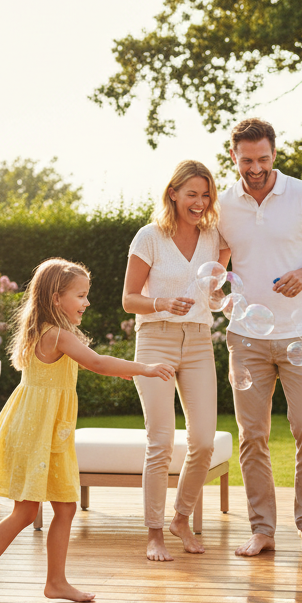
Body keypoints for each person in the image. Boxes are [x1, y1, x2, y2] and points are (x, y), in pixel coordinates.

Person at [0, 258, 174, 603]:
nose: (86, 303)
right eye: (81, 295)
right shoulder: (55, 334)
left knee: (65, 507)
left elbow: (94, 365)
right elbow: (99, 362)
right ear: (56, 298)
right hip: (35, 432)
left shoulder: (47, 331)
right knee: (26, 512)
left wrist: (121, 372)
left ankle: (55, 581)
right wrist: (145, 368)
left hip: (49, 432)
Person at [217, 118, 302, 559]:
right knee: (252, 436)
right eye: (247, 159)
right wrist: (220, 292)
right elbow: (218, 264)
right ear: (233, 155)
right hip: (245, 338)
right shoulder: (222, 204)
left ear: (275, 154)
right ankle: (263, 530)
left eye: (263, 159)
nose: (255, 168)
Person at [123, 160, 228, 561]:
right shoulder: (149, 237)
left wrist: (219, 297)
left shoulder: (214, 238)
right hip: (155, 340)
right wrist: (162, 303)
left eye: (206, 195)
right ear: (173, 194)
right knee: (161, 441)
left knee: (202, 441)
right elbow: (129, 298)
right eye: (192, 194)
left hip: (199, 341)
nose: (200, 202)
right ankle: (154, 532)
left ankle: (181, 517)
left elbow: (214, 293)